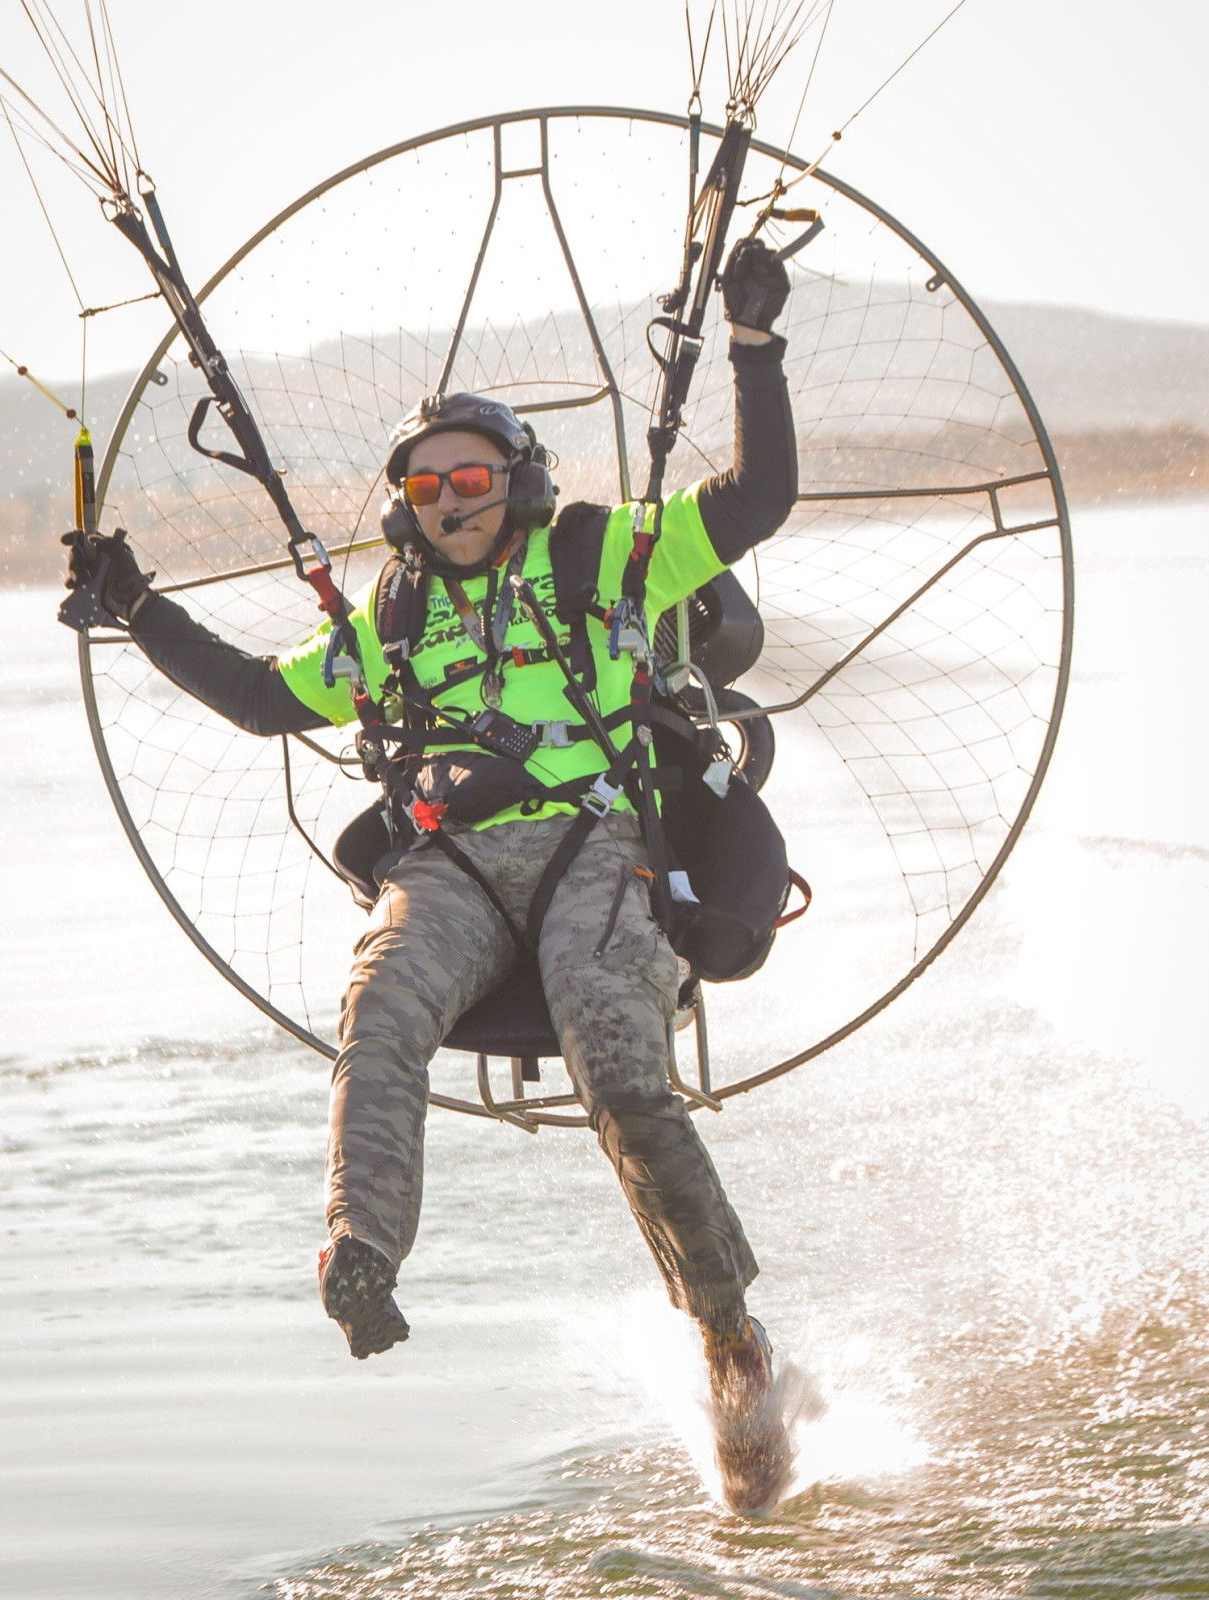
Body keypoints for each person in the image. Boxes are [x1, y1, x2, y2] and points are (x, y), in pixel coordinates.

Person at [64, 237, 800, 1511]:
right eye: (423, 484)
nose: (448, 499)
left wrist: (752, 348)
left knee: (616, 1063)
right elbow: (260, 696)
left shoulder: (607, 554)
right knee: (383, 998)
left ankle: (727, 1330)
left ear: (517, 481)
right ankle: (359, 1250)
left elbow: (754, 500)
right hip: (449, 863)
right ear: (403, 504)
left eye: (469, 477)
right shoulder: (390, 618)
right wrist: (137, 605)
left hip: (596, 848)